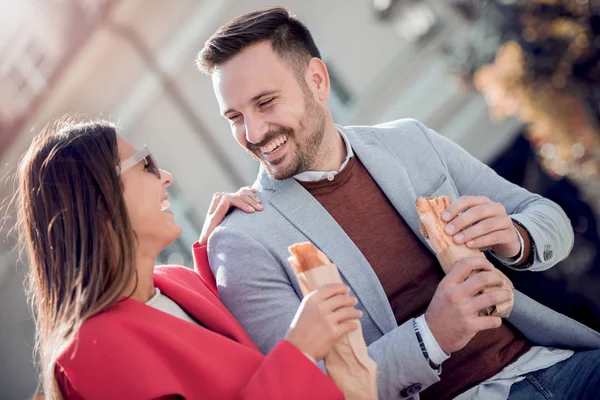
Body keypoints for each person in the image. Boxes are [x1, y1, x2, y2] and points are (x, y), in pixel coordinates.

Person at [196, 6, 600, 400]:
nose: (253, 132)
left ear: (317, 81)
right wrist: (432, 337)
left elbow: (551, 221)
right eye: (234, 117)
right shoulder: (240, 241)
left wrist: (517, 236)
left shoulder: (409, 141)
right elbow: (313, 388)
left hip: (549, 362)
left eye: (266, 103)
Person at [16, 120, 362, 400]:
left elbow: (201, 351)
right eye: (146, 165)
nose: (166, 176)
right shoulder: (90, 354)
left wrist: (216, 247)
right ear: (97, 201)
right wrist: (298, 353)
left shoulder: (175, 281)